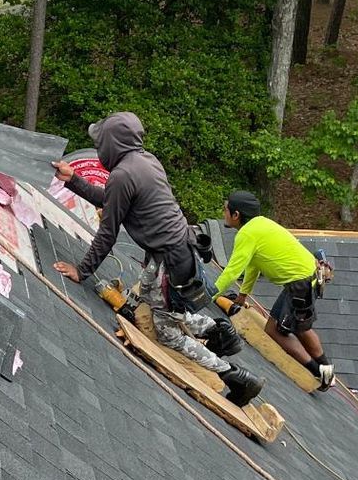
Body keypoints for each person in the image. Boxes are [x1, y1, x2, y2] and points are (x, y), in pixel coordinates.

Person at [49, 112, 264, 407]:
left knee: (166, 332)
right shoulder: (146, 161)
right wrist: (74, 179)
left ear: (112, 144)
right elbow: (111, 202)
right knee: (150, 302)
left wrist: (81, 271)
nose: (99, 151)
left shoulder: (123, 175)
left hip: (170, 263)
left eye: (101, 143)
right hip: (175, 254)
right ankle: (217, 330)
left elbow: (108, 232)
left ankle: (237, 377)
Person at [214, 190, 335, 390]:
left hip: (300, 282)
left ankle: (319, 372)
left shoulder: (246, 233)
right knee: (301, 327)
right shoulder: (260, 224)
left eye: (226, 209)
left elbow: (231, 272)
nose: (223, 212)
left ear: (236, 215)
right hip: (309, 276)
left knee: (275, 330)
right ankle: (325, 370)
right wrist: (242, 296)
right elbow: (254, 265)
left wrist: (209, 295)